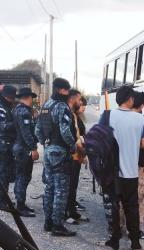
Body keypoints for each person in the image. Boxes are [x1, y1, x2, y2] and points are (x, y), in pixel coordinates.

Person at [100, 85, 144, 250]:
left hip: (111, 172)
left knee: (114, 206)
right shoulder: (140, 119)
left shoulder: (107, 115)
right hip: (131, 172)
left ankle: (114, 240)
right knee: (132, 207)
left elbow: (99, 139)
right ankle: (135, 242)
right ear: (130, 99)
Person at [36, 78, 77, 237]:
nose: (68, 93)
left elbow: (38, 130)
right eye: (67, 90)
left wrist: (45, 143)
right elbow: (65, 131)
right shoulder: (62, 106)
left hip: (48, 150)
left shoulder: (45, 106)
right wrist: (72, 145)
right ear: (62, 90)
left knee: (49, 187)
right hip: (60, 151)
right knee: (61, 189)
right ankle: (58, 225)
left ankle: (48, 222)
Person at [12, 87, 39, 217]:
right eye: (32, 98)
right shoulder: (23, 111)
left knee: (21, 177)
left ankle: (20, 203)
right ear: (28, 97)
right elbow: (26, 133)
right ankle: (20, 206)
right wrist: (33, 148)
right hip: (24, 149)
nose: (32, 100)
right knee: (23, 177)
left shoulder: (18, 109)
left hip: (20, 147)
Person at [0, 85, 18, 211]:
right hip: (1, 143)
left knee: (4, 173)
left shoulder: (5, 106)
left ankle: (2, 199)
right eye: (11, 98)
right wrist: (18, 122)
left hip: (4, 142)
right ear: (6, 96)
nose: (12, 100)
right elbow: (4, 126)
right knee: (0, 173)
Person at [131, 91, 144, 239]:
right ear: (143, 104)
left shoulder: (117, 116)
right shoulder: (142, 119)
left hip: (120, 163)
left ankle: (119, 226)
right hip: (137, 163)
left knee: (122, 196)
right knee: (138, 197)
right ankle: (136, 228)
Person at [66, 89, 89, 224]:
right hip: (71, 156)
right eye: (79, 100)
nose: (81, 103)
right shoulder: (68, 114)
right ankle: (67, 214)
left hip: (77, 156)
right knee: (68, 186)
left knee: (73, 185)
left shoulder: (74, 115)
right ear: (73, 99)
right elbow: (73, 138)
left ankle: (72, 212)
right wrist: (83, 150)